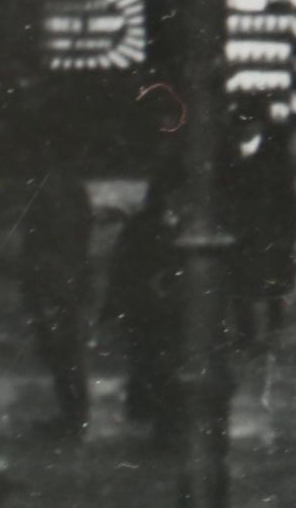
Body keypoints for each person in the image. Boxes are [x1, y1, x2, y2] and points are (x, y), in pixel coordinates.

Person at [12, 153, 94, 436]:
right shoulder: (70, 188)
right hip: (65, 280)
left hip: (55, 282)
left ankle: (72, 417)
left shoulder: (52, 190)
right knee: (65, 351)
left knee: (62, 352)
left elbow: (45, 240)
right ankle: (73, 414)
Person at [107, 176, 185, 440]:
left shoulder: (171, 223)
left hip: (156, 305)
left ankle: (155, 415)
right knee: (152, 360)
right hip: (147, 304)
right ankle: (155, 418)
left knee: (153, 360)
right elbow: (125, 265)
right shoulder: (146, 226)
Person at [227, 120, 296, 346]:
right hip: (252, 232)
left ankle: (262, 333)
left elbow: (289, 201)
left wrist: (288, 231)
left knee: (264, 284)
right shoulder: (235, 157)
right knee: (247, 284)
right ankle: (251, 333)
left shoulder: (269, 161)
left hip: (264, 231)